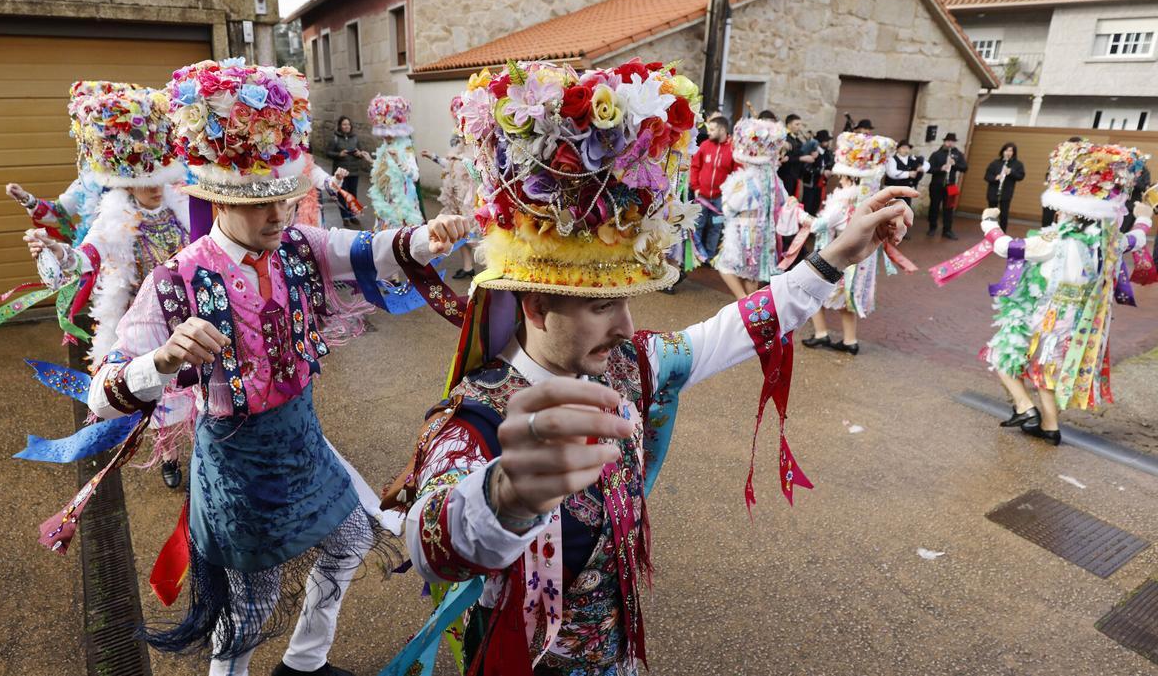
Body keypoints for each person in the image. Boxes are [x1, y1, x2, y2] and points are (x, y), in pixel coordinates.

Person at [380, 59, 914, 676]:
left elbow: (733, 330)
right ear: (536, 305)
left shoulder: (629, 364)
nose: (627, 326)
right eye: (602, 305)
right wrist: (505, 492)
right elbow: (431, 543)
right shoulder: (475, 417)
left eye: (627, 301)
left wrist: (837, 255)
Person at [32, 59, 471, 676]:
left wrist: (430, 236)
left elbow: (369, 249)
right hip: (239, 466)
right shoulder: (176, 280)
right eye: (259, 204)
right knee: (249, 604)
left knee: (348, 543)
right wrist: (160, 360)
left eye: (284, 200)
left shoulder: (298, 245)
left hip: (304, 440)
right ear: (216, 199)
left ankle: (304, 664)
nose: (278, 215)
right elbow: (102, 394)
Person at [23, 83, 194, 490]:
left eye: (159, 177)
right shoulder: (113, 217)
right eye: (144, 179)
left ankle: (197, 444)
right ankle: (169, 452)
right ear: (125, 182)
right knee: (160, 391)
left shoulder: (184, 205)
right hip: (145, 320)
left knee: (198, 388)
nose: (154, 186)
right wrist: (57, 253)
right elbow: (85, 257)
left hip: (188, 311)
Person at [971, 142, 1151, 445]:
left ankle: (1026, 409)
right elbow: (1137, 238)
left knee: (1001, 355)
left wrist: (989, 221)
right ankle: (1051, 426)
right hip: (1078, 321)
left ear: (1069, 210)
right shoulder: (1108, 243)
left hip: (1048, 314)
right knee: (1046, 369)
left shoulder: (1054, 240)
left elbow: (1007, 247)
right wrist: (1144, 216)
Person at [795, 132, 908, 354]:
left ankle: (821, 333)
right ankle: (850, 341)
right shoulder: (873, 197)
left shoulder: (843, 198)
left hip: (839, 255)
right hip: (862, 257)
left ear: (849, 176)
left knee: (812, 289)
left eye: (842, 176)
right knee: (848, 297)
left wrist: (796, 212)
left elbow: (820, 225)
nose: (840, 180)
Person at [2, 81, 131, 246]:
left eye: (110, 140)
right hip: (97, 256)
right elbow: (58, 212)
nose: (104, 148)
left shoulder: (144, 180)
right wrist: (27, 199)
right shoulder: (89, 180)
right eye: (97, 142)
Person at [717, 117, 789, 298]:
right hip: (764, 229)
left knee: (725, 266)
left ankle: (743, 301)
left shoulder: (744, 180)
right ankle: (754, 307)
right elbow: (783, 201)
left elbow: (729, 208)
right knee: (751, 273)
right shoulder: (775, 180)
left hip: (744, 229)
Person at [421, 95, 478, 278]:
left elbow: (478, 170)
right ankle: (468, 267)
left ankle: (492, 269)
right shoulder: (457, 144)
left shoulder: (477, 143)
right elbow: (449, 165)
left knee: (475, 235)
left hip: (470, 198)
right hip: (455, 197)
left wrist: (461, 158)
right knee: (460, 232)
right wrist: (433, 157)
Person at [359, 94, 425, 229]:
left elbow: (415, 176)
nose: (386, 135)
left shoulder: (406, 149)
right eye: (383, 131)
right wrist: (371, 160)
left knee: (400, 236)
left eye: (389, 131)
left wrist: (398, 161)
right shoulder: (385, 147)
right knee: (383, 237)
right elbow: (384, 170)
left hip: (402, 204)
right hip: (385, 202)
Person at [689, 114, 738, 261]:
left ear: (722, 130)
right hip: (702, 196)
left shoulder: (733, 148)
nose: (708, 132)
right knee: (698, 225)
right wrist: (695, 187)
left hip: (720, 199)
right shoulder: (705, 145)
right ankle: (697, 257)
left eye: (712, 129)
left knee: (716, 227)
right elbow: (695, 166)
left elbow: (737, 174)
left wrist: (729, 195)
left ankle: (709, 257)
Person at [926, 132, 968, 240]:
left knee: (949, 208)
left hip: (951, 186)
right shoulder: (936, 154)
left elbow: (964, 168)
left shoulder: (958, 154)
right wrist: (941, 168)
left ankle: (947, 230)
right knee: (934, 207)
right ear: (944, 142)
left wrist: (955, 164)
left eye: (952, 142)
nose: (950, 143)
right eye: (948, 141)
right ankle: (932, 227)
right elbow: (929, 169)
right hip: (936, 185)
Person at [885, 140, 929, 238]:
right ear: (898, 149)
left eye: (908, 148)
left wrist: (922, 168)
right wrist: (908, 174)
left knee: (905, 211)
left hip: (907, 190)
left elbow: (927, 164)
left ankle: (901, 232)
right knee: (892, 210)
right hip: (894, 190)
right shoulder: (892, 159)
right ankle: (889, 231)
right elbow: (892, 173)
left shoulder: (913, 158)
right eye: (904, 148)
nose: (906, 150)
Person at [326, 116, 364, 227]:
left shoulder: (355, 138)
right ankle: (345, 217)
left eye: (348, 124)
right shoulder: (335, 138)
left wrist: (359, 154)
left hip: (354, 171)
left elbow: (361, 152)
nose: (347, 126)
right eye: (344, 124)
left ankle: (353, 215)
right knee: (342, 195)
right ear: (340, 126)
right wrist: (339, 154)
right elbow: (328, 152)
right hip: (341, 173)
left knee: (353, 195)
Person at [984, 142, 1025, 232]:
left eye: (1010, 151)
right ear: (1002, 151)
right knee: (992, 214)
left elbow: (1021, 176)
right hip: (993, 192)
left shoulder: (1017, 164)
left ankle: (1002, 233)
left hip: (1006, 193)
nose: (1008, 153)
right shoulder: (995, 163)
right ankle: (990, 232)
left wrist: (1011, 172)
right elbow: (987, 176)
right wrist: (995, 178)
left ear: (1014, 153)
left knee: (1004, 215)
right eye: (1006, 150)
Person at [778, 113, 818, 199]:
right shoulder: (784, 139)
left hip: (795, 176)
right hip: (785, 176)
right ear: (789, 125)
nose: (799, 127)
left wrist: (811, 154)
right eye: (797, 124)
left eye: (800, 124)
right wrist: (802, 158)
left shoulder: (797, 140)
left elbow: (799, 153)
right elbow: (785, 158)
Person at [801, 129, 833, 216]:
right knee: (807, 204)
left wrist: (829, 171)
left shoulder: (827, 153)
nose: (827, 143)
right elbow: (806, 167)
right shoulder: (812, 151)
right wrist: (821, 171)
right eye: (826, 141)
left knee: (816, 204)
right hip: (810, 182)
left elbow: (829, 164)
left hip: (820, 183)